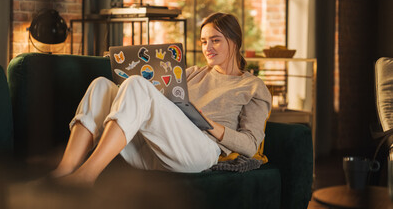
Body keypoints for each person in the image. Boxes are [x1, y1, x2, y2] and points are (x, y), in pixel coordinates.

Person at [51, 12, 272, 187]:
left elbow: (250, 145)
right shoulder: (194, 73)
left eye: (215, 40)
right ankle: (64, 170)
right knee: (101, 85)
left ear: (235, 42)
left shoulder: (253, 86)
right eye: (204, 41)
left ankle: (87, 176)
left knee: (138, 84)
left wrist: (210, 126)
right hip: (155, 149)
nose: (208, 48)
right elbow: (156, 100)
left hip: (201, 150)